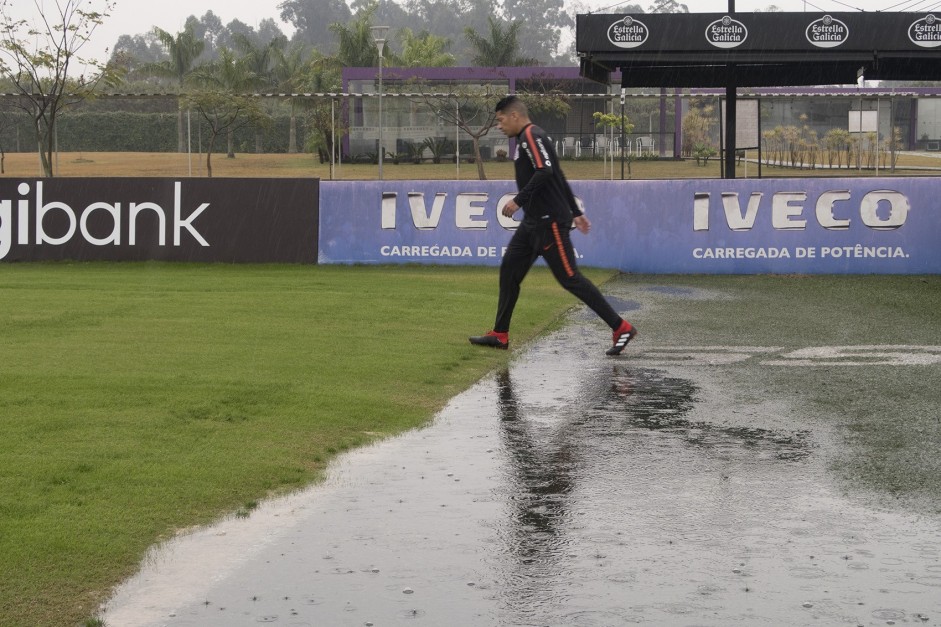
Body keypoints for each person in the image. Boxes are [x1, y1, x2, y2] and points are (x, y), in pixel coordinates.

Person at [469, 95, 637, 356]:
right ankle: (500, 334)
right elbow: (557, 174)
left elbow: (546, 172)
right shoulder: (531, 138)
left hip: (550, 225)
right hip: (532, 224)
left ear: (514, 115)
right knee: (509, 270)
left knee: (571, 279)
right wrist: (576, 211)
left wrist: (518, 200)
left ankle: (621, 327)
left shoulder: (531, 136)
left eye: (501, 120)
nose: (499, 126)